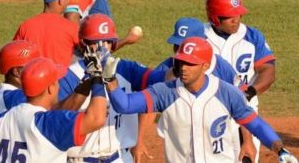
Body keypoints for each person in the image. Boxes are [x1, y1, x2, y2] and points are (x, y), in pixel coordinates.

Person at [106, 37, 298, 163]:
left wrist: (280, 149)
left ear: (205, 66)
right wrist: (110, 81)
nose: (183, 68)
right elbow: (125, 105)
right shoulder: (165, 92)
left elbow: (254, 123)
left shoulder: (226, 93)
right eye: (181, 61)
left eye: (191, 63)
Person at [132, 17, 256, 163]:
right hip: (183, 144)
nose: (179, 52)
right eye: (176, 46)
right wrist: (139, 140)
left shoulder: (220, 66)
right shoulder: (166, 69)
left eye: (184, 46)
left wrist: (247, 141)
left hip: (221, 136)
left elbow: (241, 103)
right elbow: (150, 105)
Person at [59, 13, 170, 162]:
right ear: (84, 43)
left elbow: (162, 78)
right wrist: (88, 83)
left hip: (120, 158)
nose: (103, 48)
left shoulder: (127, 69)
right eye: (96, 42)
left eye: (107, 42)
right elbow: (58, 117)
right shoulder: (70, 75)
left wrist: (178, 60)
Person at [0, 57, 107, 162]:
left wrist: (84, 85)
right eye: (57, 81)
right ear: (51, 88)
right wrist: (97, 80)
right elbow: (97, 119)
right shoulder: (47, 124)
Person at [204, 0, 276, 161]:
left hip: (246, 113)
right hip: (208, 113)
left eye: (238, 14)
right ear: (214, 17)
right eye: (230, 16)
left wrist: (250, 92)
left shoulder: (252, 36)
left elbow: (268, 71)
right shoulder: (199, 37)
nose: (236, 19)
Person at [13, 0, 79, 67]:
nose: (68, 1)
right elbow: (85, 47)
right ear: (61, 1)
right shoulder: (70, 27)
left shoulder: (25, 26)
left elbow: (14, 53)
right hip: (61, 77)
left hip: (33, 76)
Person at [0, 40, 40, 120]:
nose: (38, 70)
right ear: (17, 72)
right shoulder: (12, 97)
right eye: (33, 66)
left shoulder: (2, 92)